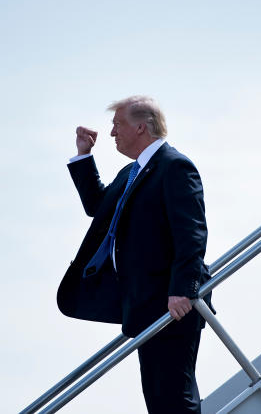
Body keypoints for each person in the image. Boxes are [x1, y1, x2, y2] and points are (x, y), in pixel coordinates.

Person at [57, 96, 211, 413]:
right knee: (158, 399)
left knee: (174, 397)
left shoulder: (174, 166)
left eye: (117, 125)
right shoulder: (132, 172)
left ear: (141, 127)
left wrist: (183, 290)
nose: (112, 133)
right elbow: (99, 208)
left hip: (173, 303)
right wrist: (84, 156)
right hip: (145, 304)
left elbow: (192, 232)